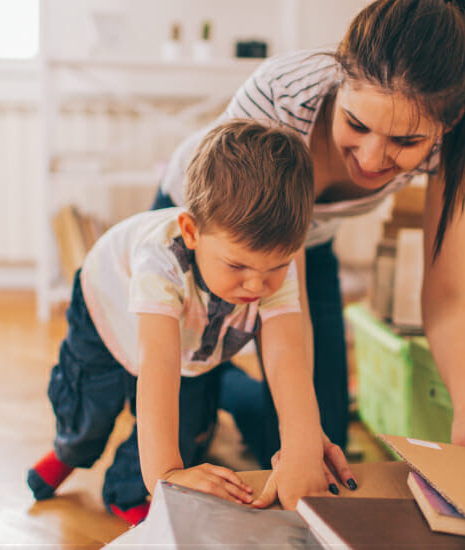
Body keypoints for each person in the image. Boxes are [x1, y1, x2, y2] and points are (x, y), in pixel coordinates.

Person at [154, 0, 465, 476]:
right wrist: (298, 427)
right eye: (357, 125)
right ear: (339, 82)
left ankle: (233, 389)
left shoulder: (454, 141)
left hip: (309, 241)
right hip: (214, 234)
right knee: (188, 429)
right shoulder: (282, 95)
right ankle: (214, 375)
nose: (369, 158)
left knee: (326, 447)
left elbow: (447, 295)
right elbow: (282, 310)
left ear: (447, 125)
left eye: (405, 142)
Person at [27, 120, 353, 525]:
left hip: (192, 340)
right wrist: (165, 475)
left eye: (276, 267)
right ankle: (68, 451)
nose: (257, 285)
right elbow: (158, 366)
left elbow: (287, 355)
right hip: (108, 314)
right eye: (237, 265)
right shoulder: (159, 260)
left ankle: (126, 488)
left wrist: (303, 446)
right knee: (91, 408)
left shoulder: (272, 267)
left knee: (188, 432)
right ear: (191, 231)